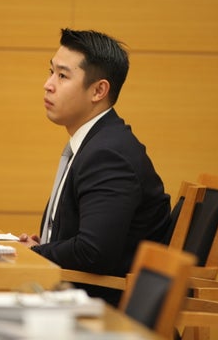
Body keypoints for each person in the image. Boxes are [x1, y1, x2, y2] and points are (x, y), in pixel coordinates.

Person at [19, 28, 172, 306]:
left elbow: (94, 251)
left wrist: (38, 253)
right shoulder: (99, 142)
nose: (48, 84)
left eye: (62, 76)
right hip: (75, 294)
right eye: (51, 71)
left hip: (102, 309)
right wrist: (45, 247)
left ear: (99, 90)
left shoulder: (108, 154)